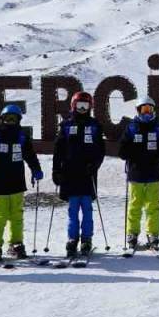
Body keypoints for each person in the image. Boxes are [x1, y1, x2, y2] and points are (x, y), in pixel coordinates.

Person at [0, 104, 42, 262]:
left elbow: (30, 155)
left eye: (14, 119)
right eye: (7, 118)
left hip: (16, 182)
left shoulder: (22, 137)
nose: (10, 122)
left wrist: (35, 169)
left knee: (16, 215)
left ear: (18, 121)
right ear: (2, 119)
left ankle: (16, 243)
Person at [53, 91, 105, 259]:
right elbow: (58, 150)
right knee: (73, 209)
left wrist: (95, 165)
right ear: (73, 106)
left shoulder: (95, 125)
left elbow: (100, 150)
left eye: (86, 106)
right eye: (79, 106)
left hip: (88, 174)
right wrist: (56, 170)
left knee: (87, 208)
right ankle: (72, 238)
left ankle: (86, 238)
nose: (82, 109)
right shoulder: (66, 125)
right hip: (70, 174)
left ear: (90, 107)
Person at [117, 96, 159, 253]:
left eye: (149, 109)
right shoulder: (132, 128)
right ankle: (132, 233)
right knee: (135, 205)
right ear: (138, 111)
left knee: (153, 206)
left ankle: (153, 234)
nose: (146, 113)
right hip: (136, 173)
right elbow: (122, 150)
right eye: (143, 110)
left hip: (153, 173)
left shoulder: (157, 128)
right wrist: (131, 151)